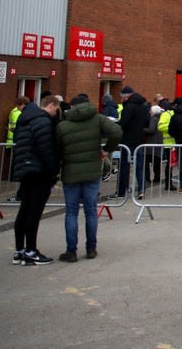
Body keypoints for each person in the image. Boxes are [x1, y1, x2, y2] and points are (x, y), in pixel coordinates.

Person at [56, 93, 122, 262]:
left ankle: (71, 251)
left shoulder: (63, 125)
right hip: (92, 170)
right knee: (91, 211)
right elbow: (116, 131)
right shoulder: (98, 119)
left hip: (70, 171)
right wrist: (107, 149)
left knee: (71, 213)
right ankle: (91, 248)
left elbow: (56, 148)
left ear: (72, 107)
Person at [11, 94, 61, 266]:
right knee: (34, 211)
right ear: (51, 105)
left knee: (24, 209)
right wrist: (54, 171)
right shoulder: (44, 122)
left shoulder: (26, 120)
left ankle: (19, 250)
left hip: (25, 169)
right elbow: (46, 149)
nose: (56, 112)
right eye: (56, 109)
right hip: (39, 171)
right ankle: (31, 251)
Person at [116, 86, 148, 198]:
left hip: (127, 140)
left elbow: (123, 123)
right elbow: (147, 122)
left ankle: (121, 191)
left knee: (124, 166)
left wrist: (115, 124)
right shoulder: (143, 107)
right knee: (139, 167)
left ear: (126, 96)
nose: (121, 100)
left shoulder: (129, 107)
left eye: (122, 97)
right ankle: (142, 189)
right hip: (139, 140)